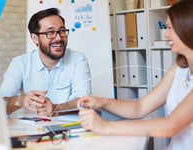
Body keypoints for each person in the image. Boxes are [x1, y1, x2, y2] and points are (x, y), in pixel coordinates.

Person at [77, 1, 193, 149]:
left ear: (188, 27)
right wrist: (102, 102)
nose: (166, 35)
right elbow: (140, 107)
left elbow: (171, 125)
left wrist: (105, 127)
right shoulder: (180, 67)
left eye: (170, 27)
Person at [0, 8, 92, 116]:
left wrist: (55, 108)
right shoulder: (20, 63)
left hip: (70, 130)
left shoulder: (77, 59)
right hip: (32, 130)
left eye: (62, 31)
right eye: (50, 32)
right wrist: (21, 101)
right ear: (35, 38)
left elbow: (85, 101)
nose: (59, 38)